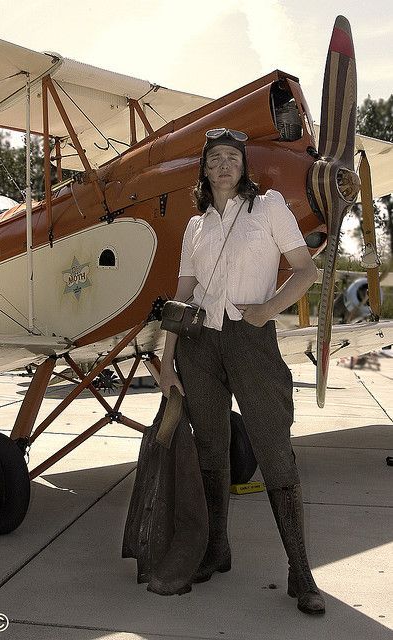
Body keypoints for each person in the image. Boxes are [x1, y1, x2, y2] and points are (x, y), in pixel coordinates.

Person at [160, 128, 325, 615]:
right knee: (211, 450)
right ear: (206, 170)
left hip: (252, 338)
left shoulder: (269, 207)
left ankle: (300, 571)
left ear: (243, 166)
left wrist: (269, 308)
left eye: (233, 157)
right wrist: (166, 361)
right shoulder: (196, 228)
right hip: (199, 348)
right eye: (216, 159)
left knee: (274, 450)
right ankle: (216, 550)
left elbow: (304, 270)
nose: (225, 165)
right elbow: (182, 296)